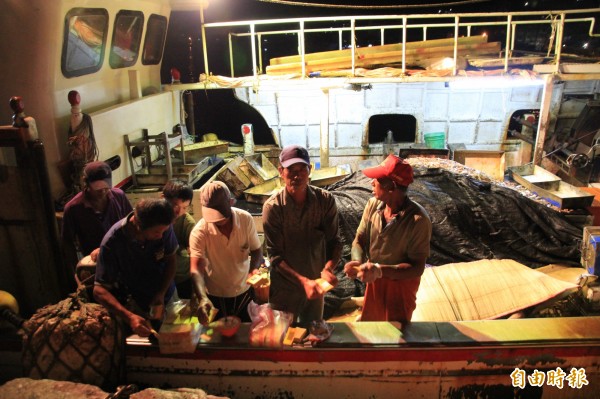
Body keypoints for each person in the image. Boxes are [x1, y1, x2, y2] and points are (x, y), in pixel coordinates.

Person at [344, 154, 432, 323]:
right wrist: (356, 261)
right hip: (375, 280)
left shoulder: (418, 220)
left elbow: (417, 268)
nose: (371, 183)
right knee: (371, 326)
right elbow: (359, 239)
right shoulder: (373, 205)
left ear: (390, 186)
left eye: (376, 180)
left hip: (401, 286)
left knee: (394, 334)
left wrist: (379, 270)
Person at [262, 145, 342, 327]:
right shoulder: (273, 208)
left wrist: (328, 269)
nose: (297, 176)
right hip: (284, 289)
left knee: (312, 334)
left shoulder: (325, 201)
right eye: (291, 170)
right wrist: (302, 281)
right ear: (281, 171)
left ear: (310, 170)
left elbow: (335, 242)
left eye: (302, 169)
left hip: (316, 286)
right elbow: (274, 256)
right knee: (282, 337)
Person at [93, 198, 177, 337]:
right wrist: (129, 317)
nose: (161, 236)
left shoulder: (162, 225)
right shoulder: (112, 242)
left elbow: (171, 261)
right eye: (157, 232)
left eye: (164, 231)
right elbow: (99, 290)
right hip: (136, 304)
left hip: (167, 295)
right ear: (139, 225)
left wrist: (161, 293)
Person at [189, 181, 263, 324]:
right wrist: (202, 297)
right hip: (214, 296)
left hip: (244, 292)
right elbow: (196, 269)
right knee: (217, 336)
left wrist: (254, 270)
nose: (217, 221)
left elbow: (256, 251)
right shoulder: (199, 232)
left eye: (220, 214)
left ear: (231, 202)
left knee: (245, 333)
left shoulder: (245, 219)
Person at [61, 161, 133, 275]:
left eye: (106, 187)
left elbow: (132, 223)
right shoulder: (73, 208)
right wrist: (76, 271)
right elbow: (67, 242)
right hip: (95, 265)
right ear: (86, 183)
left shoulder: (119, 196)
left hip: (123, 257)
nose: (103, 191)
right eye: (98, 188)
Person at [162, 179, 195, 299]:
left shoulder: (187, 223)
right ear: (162, 198)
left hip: (181, 277)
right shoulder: (155, 217)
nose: (179, 212)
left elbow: (195, 254)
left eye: (185, 207)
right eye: (175, 206)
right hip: (159, 277)